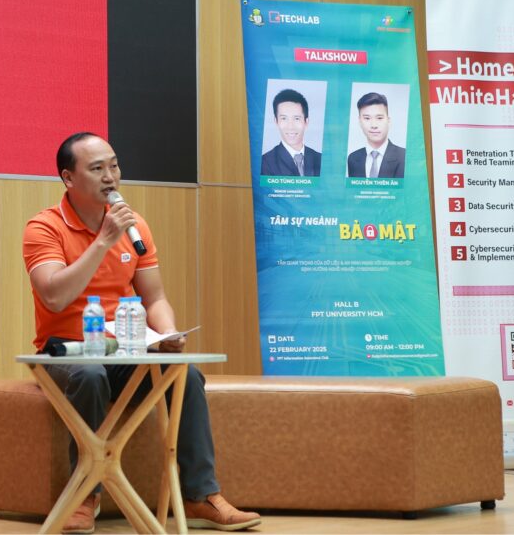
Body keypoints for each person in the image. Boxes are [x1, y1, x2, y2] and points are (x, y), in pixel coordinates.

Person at [22, 133, 262, 533]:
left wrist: (167, 333)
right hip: (67, 353)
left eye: (114, 165)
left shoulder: (136, 227)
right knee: (90, 375)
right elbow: (55, 296)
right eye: (97, 168)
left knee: (185, 375)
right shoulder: (44, 227)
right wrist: (103, 241)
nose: (110, 176)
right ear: (68, 177)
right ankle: (84, 496)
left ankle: (201, 494)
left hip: (125, 349)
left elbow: (155, 298)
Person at [260, 88, 322, 176]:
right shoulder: (265, 162)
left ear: (306, 122)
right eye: (284, 118)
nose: (290, 126)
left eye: (296, 118)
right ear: (276, 121)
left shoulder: (319, 159)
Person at [346, 92, 406, 178]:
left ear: (388, 121)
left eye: (379, 118)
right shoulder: (353, 159)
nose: (374, 125)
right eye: (367, 118)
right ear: (360, 121)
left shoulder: (404, 156)